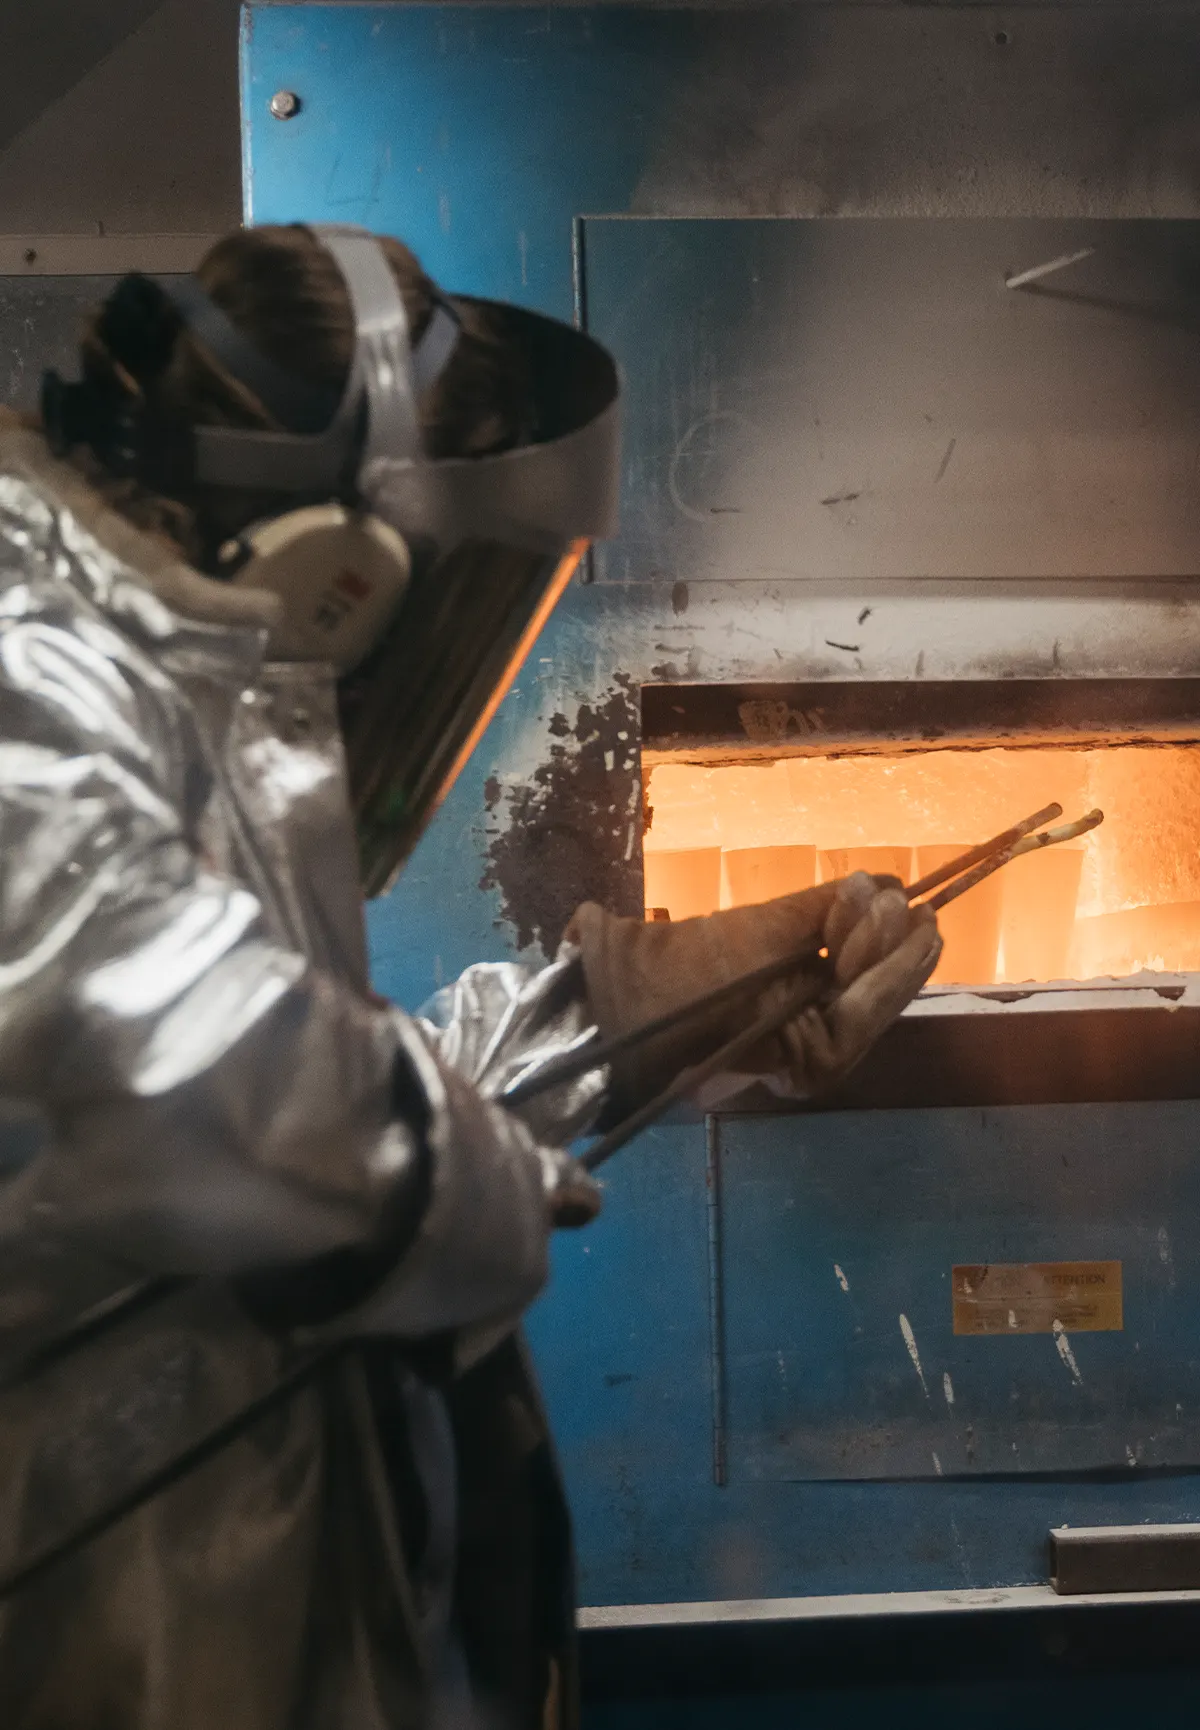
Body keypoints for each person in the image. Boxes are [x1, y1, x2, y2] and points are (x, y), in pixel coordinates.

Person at [0, 222, 941, 1729]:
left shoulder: (160, 670)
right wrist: (479, 1189)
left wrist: (640, 1011)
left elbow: (332, 1104)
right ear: (338, 572)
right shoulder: (31, 680)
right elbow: (206, 1079)